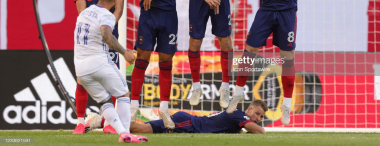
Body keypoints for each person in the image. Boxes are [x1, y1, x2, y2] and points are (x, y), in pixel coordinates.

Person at [227, 0, 318, 126]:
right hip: (265, 12)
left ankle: (286, 104)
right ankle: (238, 93)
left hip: (287, 13)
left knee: (287, 58)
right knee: (249, 50)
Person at [74, 0, 147, 143]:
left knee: (105, 101)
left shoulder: (84, 13)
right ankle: (127, 132)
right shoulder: (107, 15)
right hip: (99, 63)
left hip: (81, 70)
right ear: (115, 0)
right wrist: (125, 52)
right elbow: (107, 35)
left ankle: (122, 134)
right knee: (123, 95)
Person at [73, 0, 125, 134]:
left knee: (109, 79)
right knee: (82, 79)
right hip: (88, 39)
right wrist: (99, 30)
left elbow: (118, 9)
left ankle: (109, 123)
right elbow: (81, 11)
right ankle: (80, 122)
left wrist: (108, 28)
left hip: (110, 35)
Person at [128, 0, 178, 129]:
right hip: (149, 15)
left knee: (166, 60)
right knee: (142, 58)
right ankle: (133, 107)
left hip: (168, 15)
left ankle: (164, 109)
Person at [85, 99, 268, 134]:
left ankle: (99, 121)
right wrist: (257, 127)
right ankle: (102, 120)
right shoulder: (239, 116)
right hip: (187, 123)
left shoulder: (236, 115)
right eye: (257, 114)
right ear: (249, 109)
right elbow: (260, 132)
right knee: (141, 129)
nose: (258, 118)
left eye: (261, 117)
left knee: (141, 128)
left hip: (186, 120)